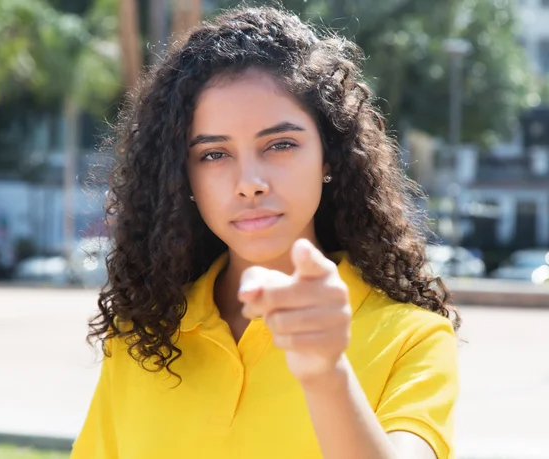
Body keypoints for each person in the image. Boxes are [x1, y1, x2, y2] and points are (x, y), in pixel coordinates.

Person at [71, 6, 460, 459]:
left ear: (329, 156)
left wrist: (326, 373)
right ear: (183, 178)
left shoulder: (413, 336)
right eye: (214, 154)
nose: (249, 182)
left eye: (280, 144)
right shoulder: (140, 334)